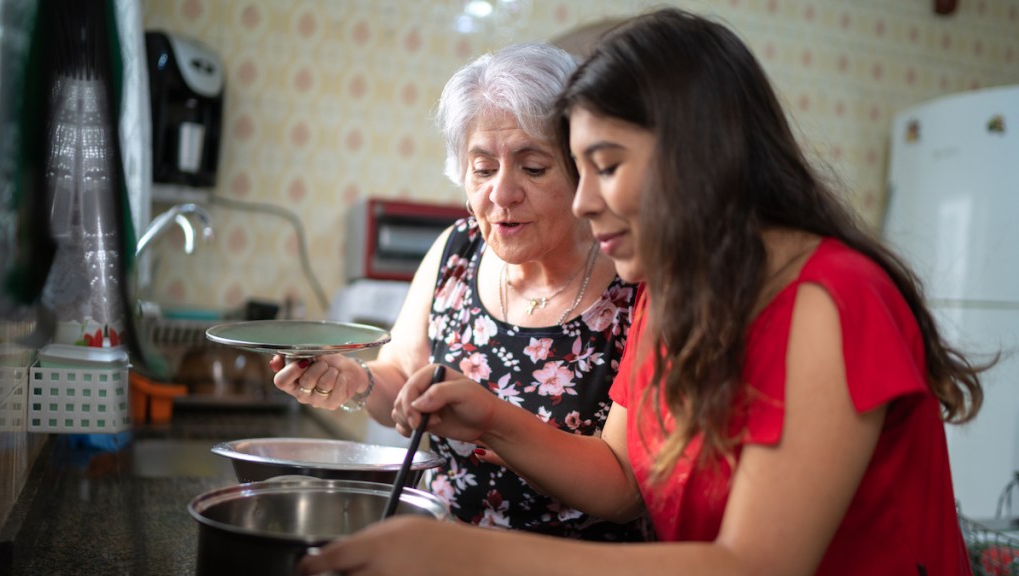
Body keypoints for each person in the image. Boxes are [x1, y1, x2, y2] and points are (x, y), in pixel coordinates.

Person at [297, 7, 988, 576]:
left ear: (696, 154)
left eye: (604, 165)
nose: (584, 200)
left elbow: (755, 565)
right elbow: (624, 479)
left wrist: (466, 555)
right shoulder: (675, 291)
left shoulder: (832, 300)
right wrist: (486, 421)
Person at [272, 42, 648, 541]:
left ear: (581, 168)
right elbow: (405, 381)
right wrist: (355, 380)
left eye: (533, 168)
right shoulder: (455, 251)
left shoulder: (634, 280)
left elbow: (623, 492)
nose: (502, 193)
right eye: (483, 168)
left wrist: (494, 422)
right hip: (444, 552)